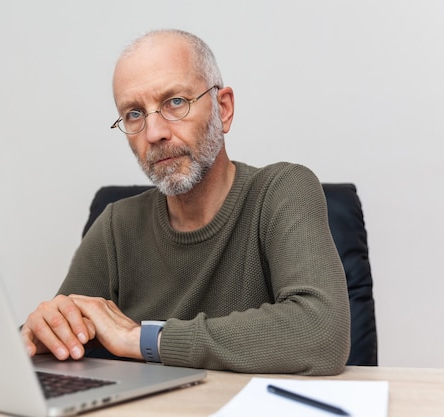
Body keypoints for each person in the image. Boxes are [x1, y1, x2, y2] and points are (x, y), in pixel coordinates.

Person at [21, 29, 350, 376]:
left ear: (223, 109)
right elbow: (62, 338)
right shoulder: (117, 225)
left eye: (175, 102)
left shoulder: (281, 190)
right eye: (134, 113)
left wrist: (140, 338)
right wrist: (38, 335)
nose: (154, 133)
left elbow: (321, 332)